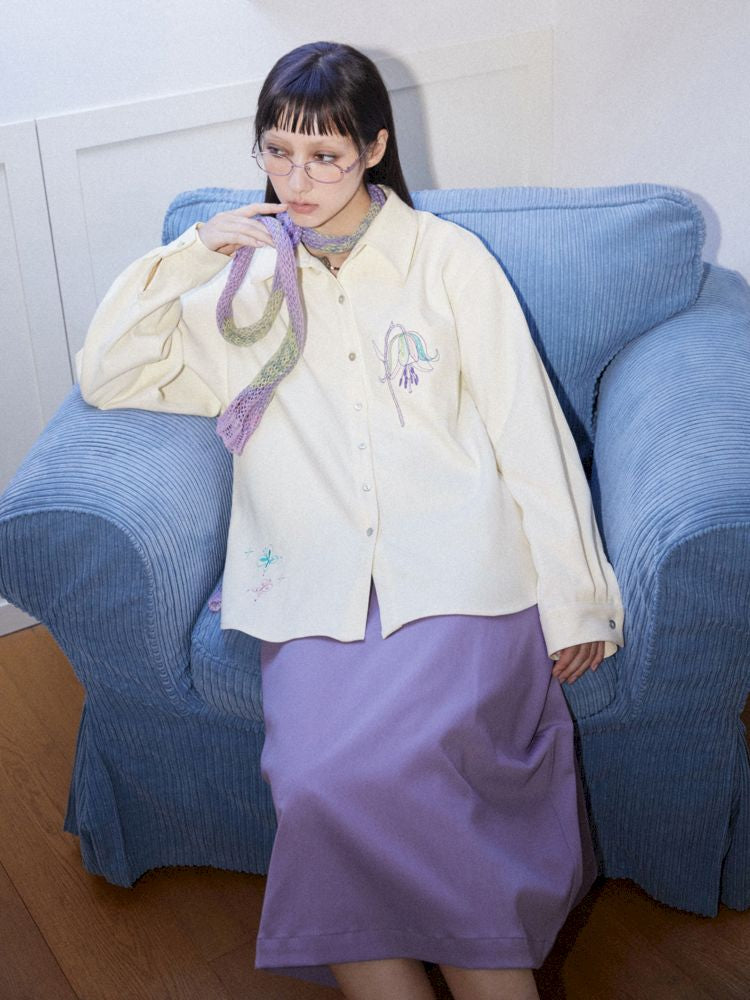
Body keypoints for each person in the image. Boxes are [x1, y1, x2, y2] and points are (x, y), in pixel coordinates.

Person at [77, 40, 625, 1000]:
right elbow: (108, 370)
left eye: (324, 156)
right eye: (277, 152)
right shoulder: (243, 285)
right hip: (312, 590)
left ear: (374, 148)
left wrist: (576, 599)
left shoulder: (446, 261)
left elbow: (527, 429)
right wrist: (194, 250)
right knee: (316, 784)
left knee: (425, 770)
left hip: (460, 575)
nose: (296, 181)